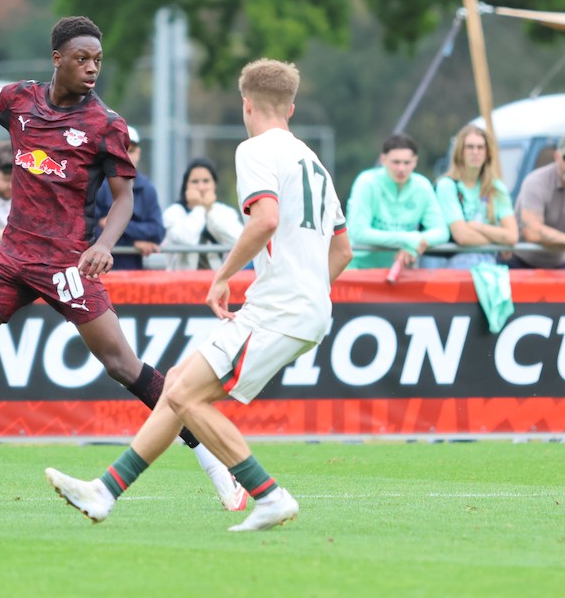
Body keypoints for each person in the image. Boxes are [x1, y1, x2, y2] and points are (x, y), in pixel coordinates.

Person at [0, 15, 246, 512]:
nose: (91, 68)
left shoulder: (106, 125)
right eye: (82, 58)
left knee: (123, 365)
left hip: (67, 264)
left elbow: (123, 200)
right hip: (12, 256)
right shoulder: (21, 100)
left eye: (98, 61)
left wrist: (104, 243)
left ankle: (216, 461)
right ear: (57, 58)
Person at [45, 58, 354, 532]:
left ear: (246, 104)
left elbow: (265, 219)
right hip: (300, 307)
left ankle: (268, 495)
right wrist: (309, 292)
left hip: (279, 308)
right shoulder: (314, 162)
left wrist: (223, 275)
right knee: (176, 386)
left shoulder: (255, 151)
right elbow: (343, 249)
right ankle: (105, 491)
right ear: (290, 108)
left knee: (188, 398)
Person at [346, 133, 449, 269]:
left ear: (415, 161)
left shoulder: (423, 186)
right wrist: (408, 239)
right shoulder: (366, 182)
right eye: (396, 162)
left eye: (407, 163)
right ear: (383, 159)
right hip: (357, 268)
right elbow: (358, 233)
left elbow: (442, 231)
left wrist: (414, 243)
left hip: (398, 271)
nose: (401, 168)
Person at [427, 125, 517, 269]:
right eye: (470, 147)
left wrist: (478, 227)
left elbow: (512, 236)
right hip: (449, 269)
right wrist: (499, 241)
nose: (475, 152)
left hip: (488, 266)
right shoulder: (447, 185)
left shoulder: (496, 187)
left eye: (480, 147)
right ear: (460, 152)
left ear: (487, 153)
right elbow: (462, 236)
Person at [94, 125, 164, 270]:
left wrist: (111, 225)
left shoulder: (147, 189)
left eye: (130, 151)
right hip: (99, 272)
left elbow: (157, 232)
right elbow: (90, 231)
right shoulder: (98, 186)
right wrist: (134, 243)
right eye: (122, 150)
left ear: (138, 153)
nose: (126, 156)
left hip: (132, 274)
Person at [161, 158, 244, 270]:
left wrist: (210, 212)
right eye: (195, 182)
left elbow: (239, 240)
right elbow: (186, 239)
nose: (201, 188)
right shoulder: (173, 212)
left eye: (206, 181)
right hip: (181, 282)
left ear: (215, 184)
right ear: (186, 185)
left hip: (215, 281)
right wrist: (199, 208)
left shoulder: (225, 212)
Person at [508, 135, 565, 269]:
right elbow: (532, 232)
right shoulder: (536, 182)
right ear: (556, 156)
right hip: (521, 263)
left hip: (558, 264)